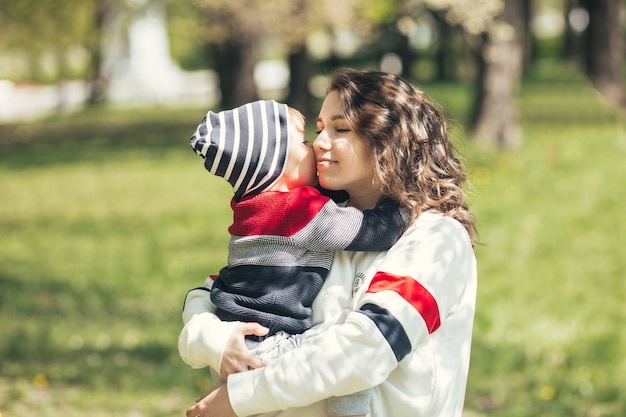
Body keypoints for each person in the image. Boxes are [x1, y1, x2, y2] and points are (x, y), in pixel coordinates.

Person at [179, 69, 478, 417]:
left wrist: (240, 397)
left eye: (341, 129)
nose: (319, 142)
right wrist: (214, 342)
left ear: (387, 138)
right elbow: (209, 294)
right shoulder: (319, 223)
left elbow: (367, 350)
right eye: (319, 129)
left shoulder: (436, 239)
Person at [184, 99, 409, 417]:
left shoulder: (257, 205)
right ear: (274, 166)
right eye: (303, 141)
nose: (315, 146)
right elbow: (372, 232)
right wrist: (405, 206)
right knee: (343, 358)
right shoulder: (296, 210)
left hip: (239, 338)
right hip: (265, 343)